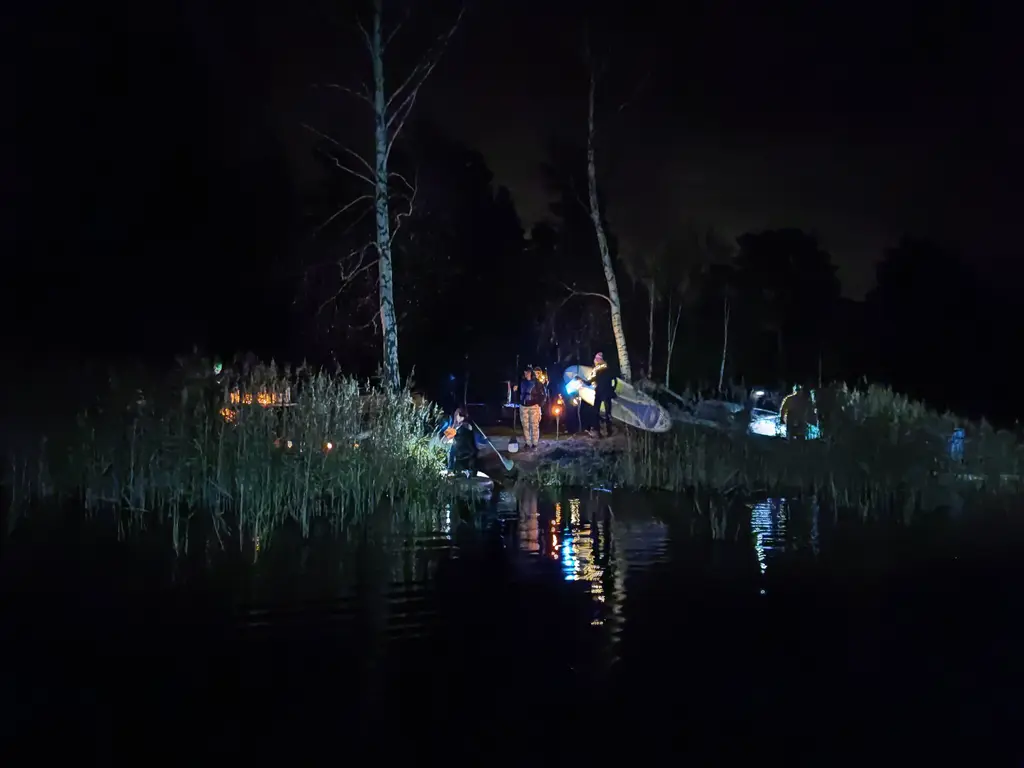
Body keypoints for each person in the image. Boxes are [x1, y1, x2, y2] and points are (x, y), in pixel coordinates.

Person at [578, 352, 616, 438]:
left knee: (595, 412)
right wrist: (612, 389)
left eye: (596, 359)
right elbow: (615, 381)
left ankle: (598, 432)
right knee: (608, 413)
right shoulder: (608, 368)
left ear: (598, 360)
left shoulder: (597, 370)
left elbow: (589, 382)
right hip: (608, 393)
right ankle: (609, 432)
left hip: (599, 393)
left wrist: (581, 380)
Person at [439, 406, 486, 474]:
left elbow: (444, 440)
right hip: (468, 450)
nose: (461, 418)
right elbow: (443, 440)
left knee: (451, 449)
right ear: (456, 415)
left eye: (463, 416)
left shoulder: (463, 426)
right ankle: (452, 468)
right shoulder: (457, 426)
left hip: (463, 450)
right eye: (460, 415)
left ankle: (450, 469)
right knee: (451, 447)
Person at [519, 366, 547, 450]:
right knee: (525, 425)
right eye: (525, 372)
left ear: (531, 373)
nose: (526, 374)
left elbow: (543, 395)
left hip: (534, 406)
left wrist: (539, 404)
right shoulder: (522, 382)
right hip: (524, 406)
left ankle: (535, 443)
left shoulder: (537, 383)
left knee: (534, 425)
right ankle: (528, 443)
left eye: (527, 372)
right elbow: (520, 393)